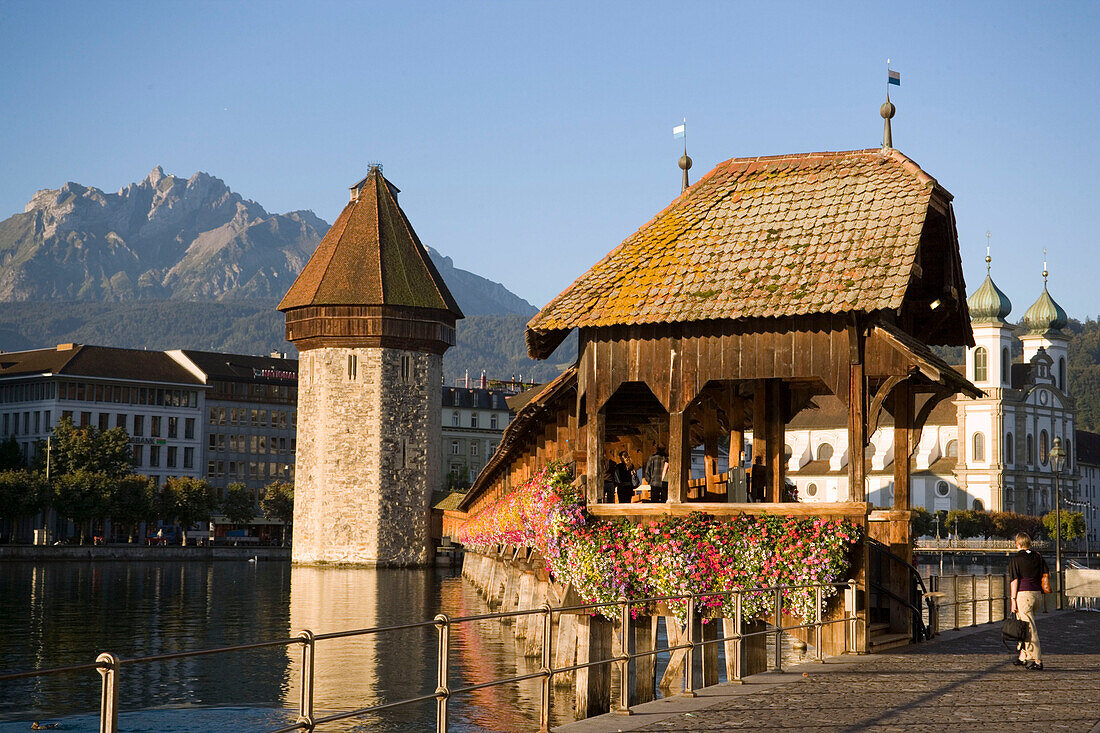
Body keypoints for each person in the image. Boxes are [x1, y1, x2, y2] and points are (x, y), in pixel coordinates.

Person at [1008, 532, 1048, 670]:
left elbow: (1014, 580)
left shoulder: (1016, 559)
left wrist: (1013, 600)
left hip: (1023, 595)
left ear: (1017, 544)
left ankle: (1037, 660)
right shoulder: (1037, 556)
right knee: (1024, 625)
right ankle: (1023, 657)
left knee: (1030, 628)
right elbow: (1045, 573)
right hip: (1037, 594)